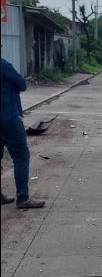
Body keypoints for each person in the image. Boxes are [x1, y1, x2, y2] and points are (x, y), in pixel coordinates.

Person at [0, 58, 45, 208]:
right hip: (8, 116)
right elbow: (22, 84)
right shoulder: (4, 65)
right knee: (21, 156)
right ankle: (23, 198)